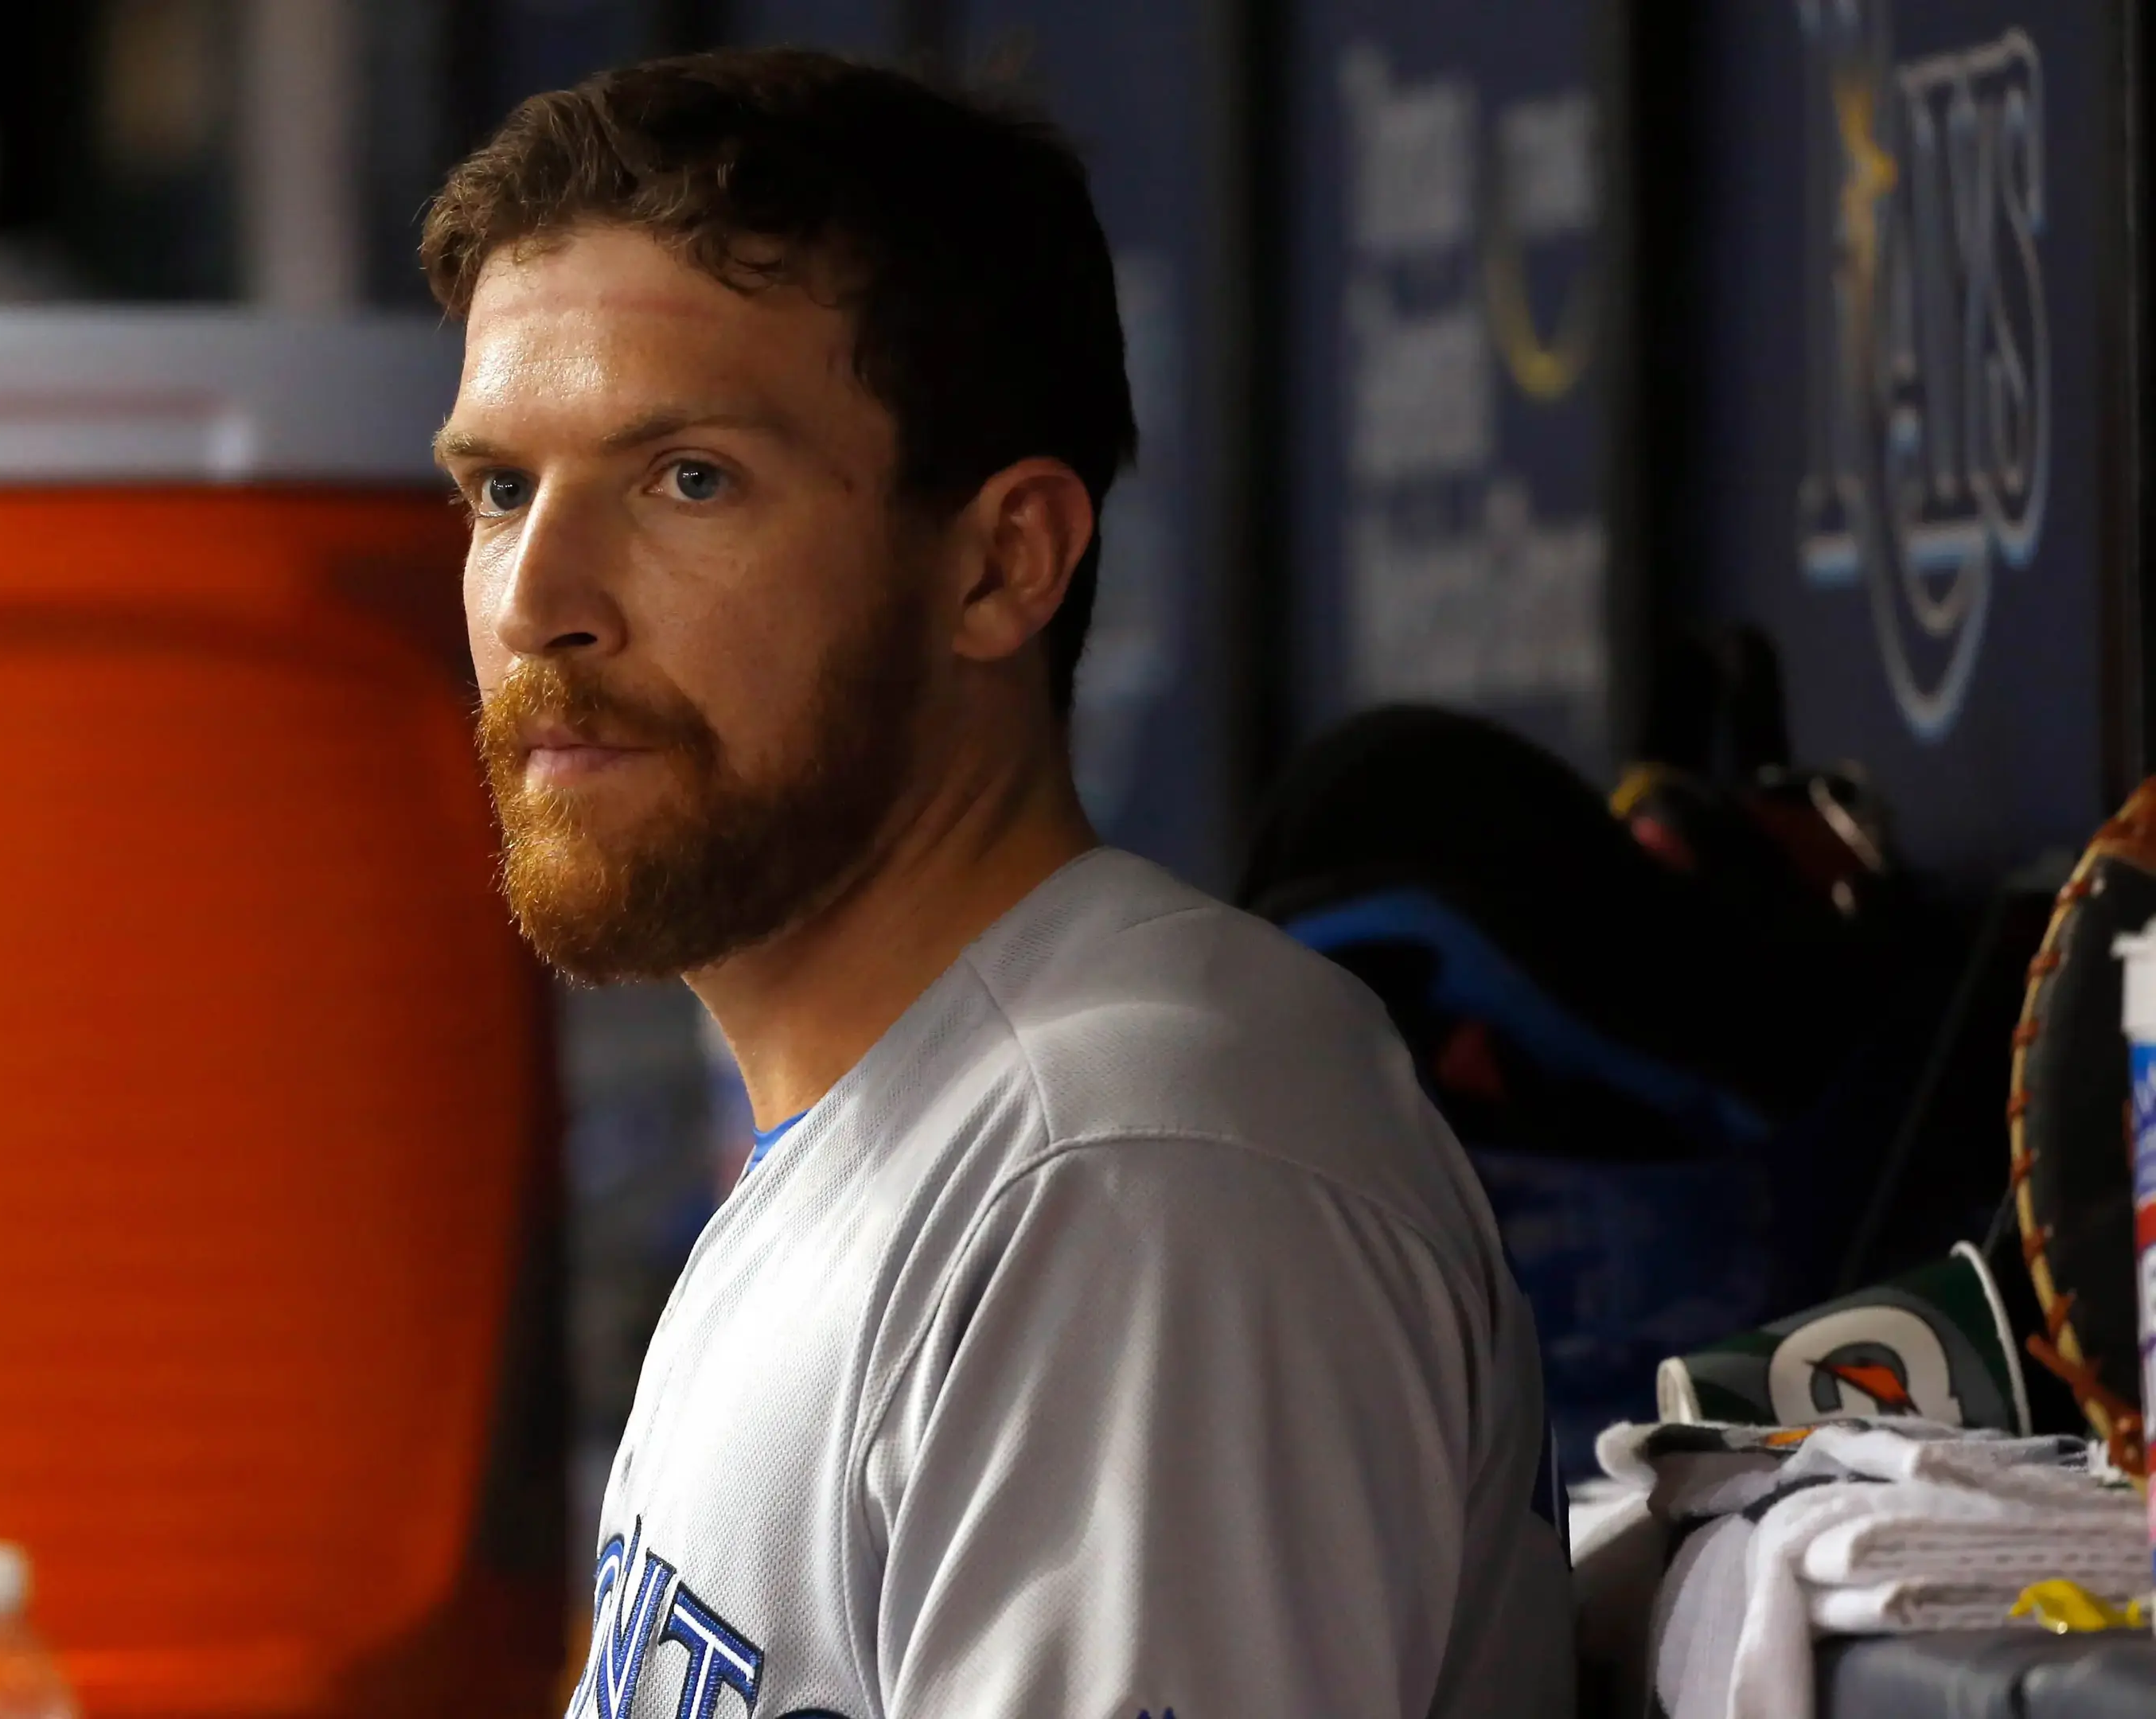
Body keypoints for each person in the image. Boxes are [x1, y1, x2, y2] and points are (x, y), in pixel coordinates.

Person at [423, 49, 1572, 1717]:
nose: (540, 599)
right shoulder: (893, 1139)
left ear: (1000, 562)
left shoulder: (1126, 1177)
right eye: (500, 490)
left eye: (688, 480)